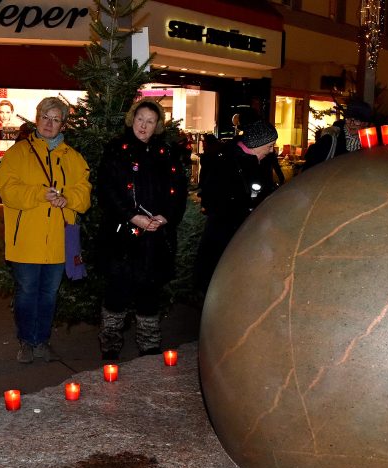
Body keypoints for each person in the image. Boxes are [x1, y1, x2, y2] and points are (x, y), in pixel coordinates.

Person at [0, 97, 91, 363]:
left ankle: (42, 341)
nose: (49, 124)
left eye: (56, 119)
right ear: (37, 119)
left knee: (49, 295)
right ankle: (26, 340)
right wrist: (40, 194)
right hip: (25, 241)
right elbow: (8, 190)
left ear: (63, 124)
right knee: (26, 293)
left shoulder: (73, 157)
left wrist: (66, 198)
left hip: (59, 241)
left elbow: (84, 194)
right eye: (45, 118)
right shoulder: (17, 153)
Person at [96, 99, 189, 359]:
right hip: (122, 237)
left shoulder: (167, 153)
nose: (144, 126)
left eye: (150, 121)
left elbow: (178, 191)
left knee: (150, 293)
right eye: (140, 119)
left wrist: (166, 217)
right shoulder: (116, 150)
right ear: (132, 119)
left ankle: (149, 345)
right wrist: (131, 217)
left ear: (157, 125)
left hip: (156, 239)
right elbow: (107, 191)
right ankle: (110, 345)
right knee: (118, 292)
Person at [195, 119, 278, 295]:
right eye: (269, 146)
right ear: (257, 143)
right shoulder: (227, 161)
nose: (271, 150)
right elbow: (214, 199)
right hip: (226, 234)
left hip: (246, 233)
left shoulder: (258, 161)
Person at [302, 100, 371, 171]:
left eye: (357, 120)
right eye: (349, 119)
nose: (351, 123)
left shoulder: (370, 143)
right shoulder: (331, 138)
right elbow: (309, 168)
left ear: (366, 123)